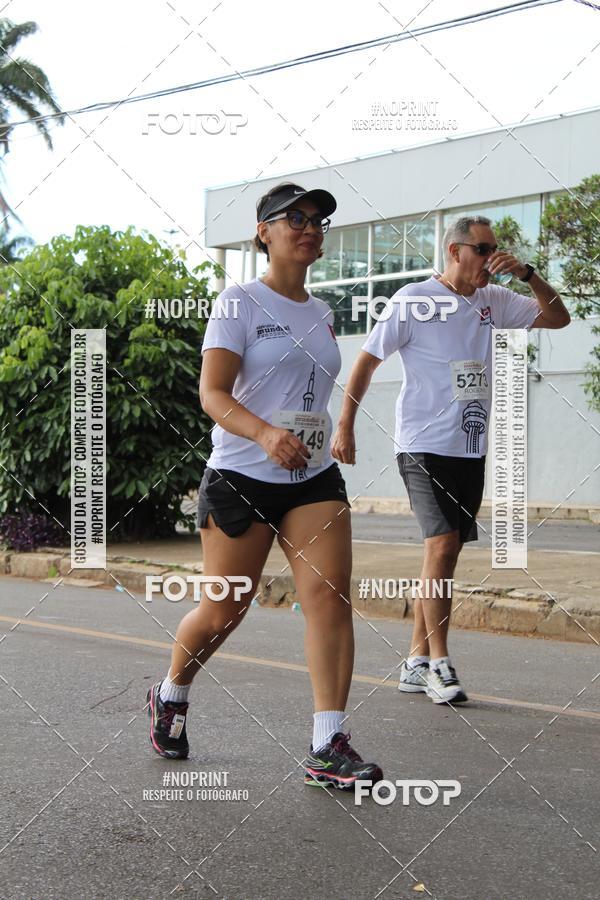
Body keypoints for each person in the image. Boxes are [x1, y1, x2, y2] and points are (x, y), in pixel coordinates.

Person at [147, 181, 383, 790]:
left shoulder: (324, 311)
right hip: (241, 475)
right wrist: (264, 434)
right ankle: (171, 693)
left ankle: (327, 742)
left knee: (329, 598)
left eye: (318, 222)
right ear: (265, 231)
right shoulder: (239, 302)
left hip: (311, 480)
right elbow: (212, 394)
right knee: (226, 609)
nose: (309, 228)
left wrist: (323, 434)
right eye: (294, 218)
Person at [331, 214, 570, 704]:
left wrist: (527, 274)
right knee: (440, 546)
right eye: (482, 250)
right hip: (422, 444)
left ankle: (415, 661)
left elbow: (558, 317)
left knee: (442, 554)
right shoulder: (414, 300)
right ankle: (440, 663)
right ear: (455, 251)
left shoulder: (494, 300)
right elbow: (368, 359)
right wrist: (344, 424)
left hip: (469, 446)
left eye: (493, 250)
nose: (490, 258)